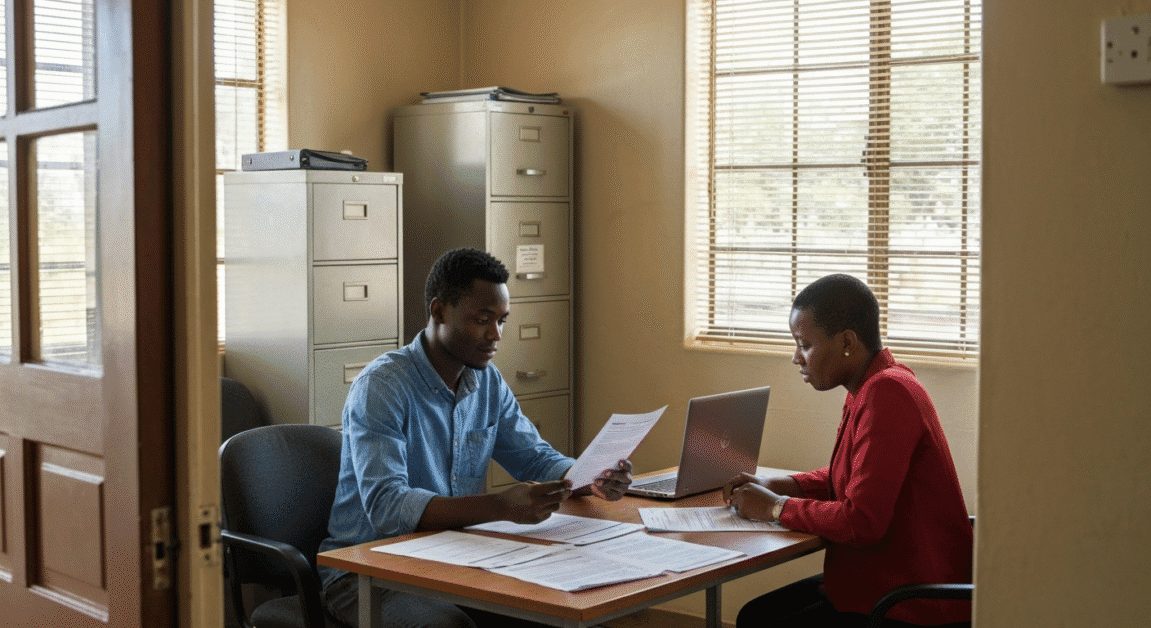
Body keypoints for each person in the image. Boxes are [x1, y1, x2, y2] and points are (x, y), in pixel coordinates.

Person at [318, 248, 632, 628]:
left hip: (455, 556)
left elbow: (534, 457)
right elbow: (388, 508)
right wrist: (500, 506)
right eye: (482, 320)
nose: (495, 335)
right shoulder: (382, 387)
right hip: (369, 571)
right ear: (438, 312)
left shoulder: (486, 381)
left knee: (555, 609)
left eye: (501, 320)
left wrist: (589, 476)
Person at [725, 274, 972, 628]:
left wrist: (775, 508)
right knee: (756, 615)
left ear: (846, 343)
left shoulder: (887, 394)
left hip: (910, 603)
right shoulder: (874, 384)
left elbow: (862, 522)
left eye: (804, 344)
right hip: (881, 585)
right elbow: (854, 476)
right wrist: (784, 484)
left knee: (758, 620)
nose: (797, 358)